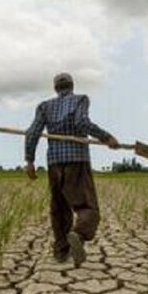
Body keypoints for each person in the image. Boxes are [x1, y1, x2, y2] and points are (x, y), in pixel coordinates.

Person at [25, 72, 119, 267]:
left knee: (59, 209)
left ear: (55, 88)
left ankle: (61, 251)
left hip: (54, 163)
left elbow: (33, 132)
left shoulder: (44, 106)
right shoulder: (80, 100)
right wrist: (106, 137)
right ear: (72, 86)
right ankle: (78, 234)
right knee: (86, 206)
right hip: (77, 161)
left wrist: (30, 160)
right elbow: (81, 123)